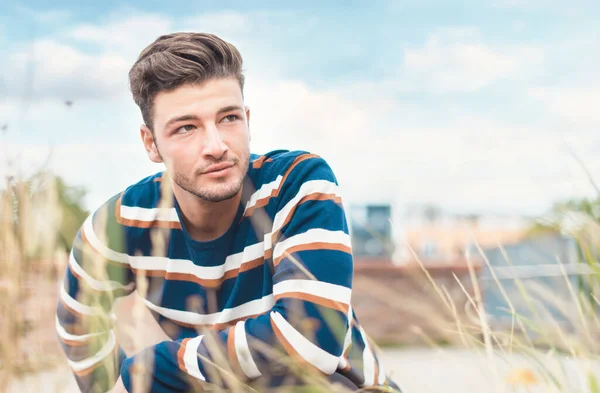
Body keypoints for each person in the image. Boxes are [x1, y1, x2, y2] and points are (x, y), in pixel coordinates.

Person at [55, 32, 401, 393]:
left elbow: (311, 343)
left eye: (229, 118)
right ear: (151, 143)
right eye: (186, 127)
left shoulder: (296, 184)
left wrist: (153, 368)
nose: (216, 146)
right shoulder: (121, 223)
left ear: (247, 120)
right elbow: (78, 323)